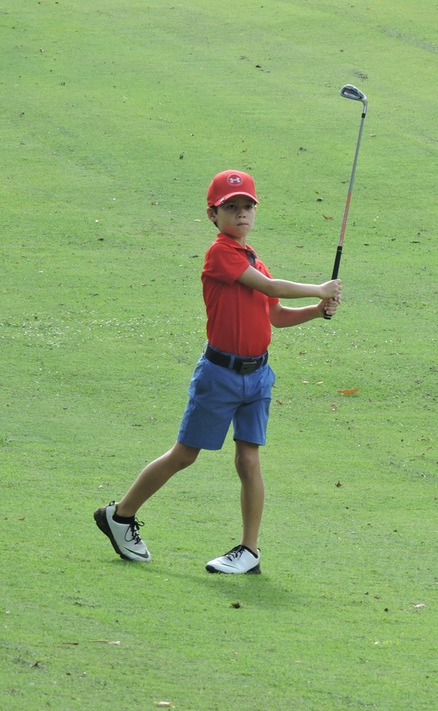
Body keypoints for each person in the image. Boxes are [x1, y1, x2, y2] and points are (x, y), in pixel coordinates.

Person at [95, 169, 342, 574]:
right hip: (219, 375)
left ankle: (249, 551)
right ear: (213, 215)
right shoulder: (220, 254)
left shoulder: (254, 259)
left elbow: (276, 315)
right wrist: (319, 288)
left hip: (258, 376)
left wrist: (316, 311)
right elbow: (271, 289)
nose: (241, 213)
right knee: (184, 455)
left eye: (247, 206)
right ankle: (120, 516)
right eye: (231, 207)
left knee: (249, 460)